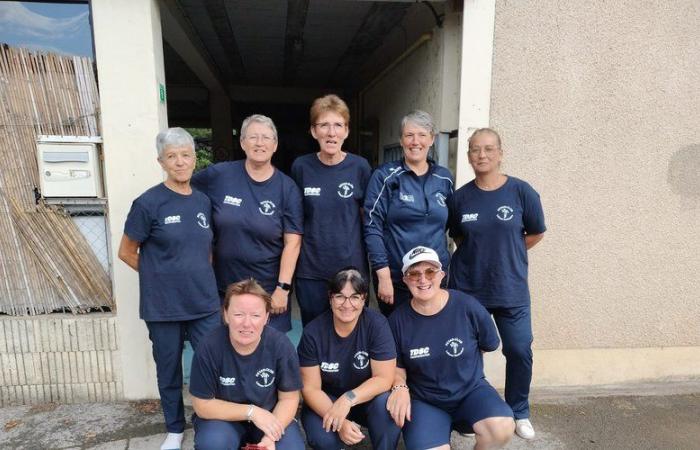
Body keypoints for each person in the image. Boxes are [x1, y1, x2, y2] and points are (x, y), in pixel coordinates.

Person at [118, 127, 221, 450]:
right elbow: (126, 252)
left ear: (194, 159)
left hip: (203, 302)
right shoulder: (148, 203)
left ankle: (210, 421)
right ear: (161, 162)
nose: (180, 162)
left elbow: (207, 250)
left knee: (210, 365)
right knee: (169, 371)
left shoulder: (203, 201)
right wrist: (158, 276)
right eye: (172, 156)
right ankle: (175, 429)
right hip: (163, 307)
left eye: (186, 155)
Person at [447, 128, 546, 440]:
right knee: (464, 352)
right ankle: (466, 413)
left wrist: (508, 255)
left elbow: (535, 232)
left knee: (519, 349)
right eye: (475, 150)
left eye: (489, 149)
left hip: (510, 288)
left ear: (501, 153)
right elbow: (459, 237)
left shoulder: (521, 192)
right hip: (468, 287)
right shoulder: (460, 198)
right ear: (468, 156)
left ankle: (519, 410)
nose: (482, 155)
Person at [387, 246, 515, 450]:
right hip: (426, 401)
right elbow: (396, 366)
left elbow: (487, 345)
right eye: (414, 273)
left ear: (441, 275)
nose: (423, 279)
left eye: (430, 272)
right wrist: (400, 387)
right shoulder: (396, 321)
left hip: (471, 393)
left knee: (501, 427)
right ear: (405, 280)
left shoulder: (468, 307)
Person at [192, 114, 303, 332]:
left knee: (268, 358)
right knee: (228, 356)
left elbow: (293, 243)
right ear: (242, 143)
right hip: (224, 290)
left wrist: (283, 288)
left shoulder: (287, 188)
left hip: (269, 291)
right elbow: (184, 191)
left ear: (275, 145)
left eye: (265, 138)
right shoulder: (219, 175)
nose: (259, 143)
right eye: (253, 137)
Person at [189, 279, 305, 450]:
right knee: (212, 443)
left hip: (270, 416)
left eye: (255, 315)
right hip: (224, 420)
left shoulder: (280, 345)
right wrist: (252, 412)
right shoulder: (209, 347)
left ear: (266, 317)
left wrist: (270, 436)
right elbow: (202, 405)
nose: (246, 323)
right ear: (226, 315)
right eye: (238, 314)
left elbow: (289, 398)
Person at [291, 95, 372, 326]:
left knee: (352, 334)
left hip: (351, 269)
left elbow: (369, 219)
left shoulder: (360, 167)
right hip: (311, 271)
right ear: (313, 131)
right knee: (314, 334)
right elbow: (295, 219)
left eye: (338, 125)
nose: (331, 132)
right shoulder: (301, 167)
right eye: (324, 125)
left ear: (346, 131)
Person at [298, 268, 401, 449]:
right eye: (340, 296)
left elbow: (384, 379)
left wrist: (348, 398)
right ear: (330, 298)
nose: (347, 304)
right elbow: (310, 388)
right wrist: (340, 422)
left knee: (387, 406)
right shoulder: (313, 332)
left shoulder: (377, 325)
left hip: (366, 398)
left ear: (363, 299)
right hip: (327, 400)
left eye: (354, 297)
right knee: (322, 438)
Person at [364, 110, 454, 316]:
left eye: (422, 135)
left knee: (433, 334)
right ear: (401, 140)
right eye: (409, 135)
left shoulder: (444, 178)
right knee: (397, 337)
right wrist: (383, 275)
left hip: (434, 276)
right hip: (397, 278)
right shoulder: (385, 176)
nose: (416, 141)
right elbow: (372, 226)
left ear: (432, 139)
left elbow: (449, 223)